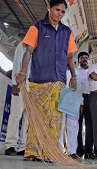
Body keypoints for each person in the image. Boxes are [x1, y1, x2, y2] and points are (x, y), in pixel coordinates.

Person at [16, 0, 77, 161]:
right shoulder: (37, 27)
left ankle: (48, 152)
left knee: (55, 118)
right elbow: (28, 51)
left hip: (59, 81)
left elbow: (70, 56)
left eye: (63, 12)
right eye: (57, 10)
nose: (60, 14)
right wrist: (22, 71)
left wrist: (74, 77)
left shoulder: (67, 31)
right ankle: (32, 151)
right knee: (37, 116)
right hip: (39, 79)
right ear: (49, 8)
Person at [5, 42, 29, 156]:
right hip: (21, 82)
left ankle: (23, 146)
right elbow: (16, 63)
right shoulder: (23, 45)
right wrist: (15, 84)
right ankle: (10, 144)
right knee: (16, 114)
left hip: (34, 85)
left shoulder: (42, 46)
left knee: (28, 117)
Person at [75, 52, 94, 159]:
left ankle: (88, 150)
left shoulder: (92, 71)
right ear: (78, 60)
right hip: (78, 98)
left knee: (89, 125)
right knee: (77, 124)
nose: (84, 59)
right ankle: (78, 149)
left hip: (90, 98)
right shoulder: (76, 71)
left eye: (86, 58)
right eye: (82, 58)